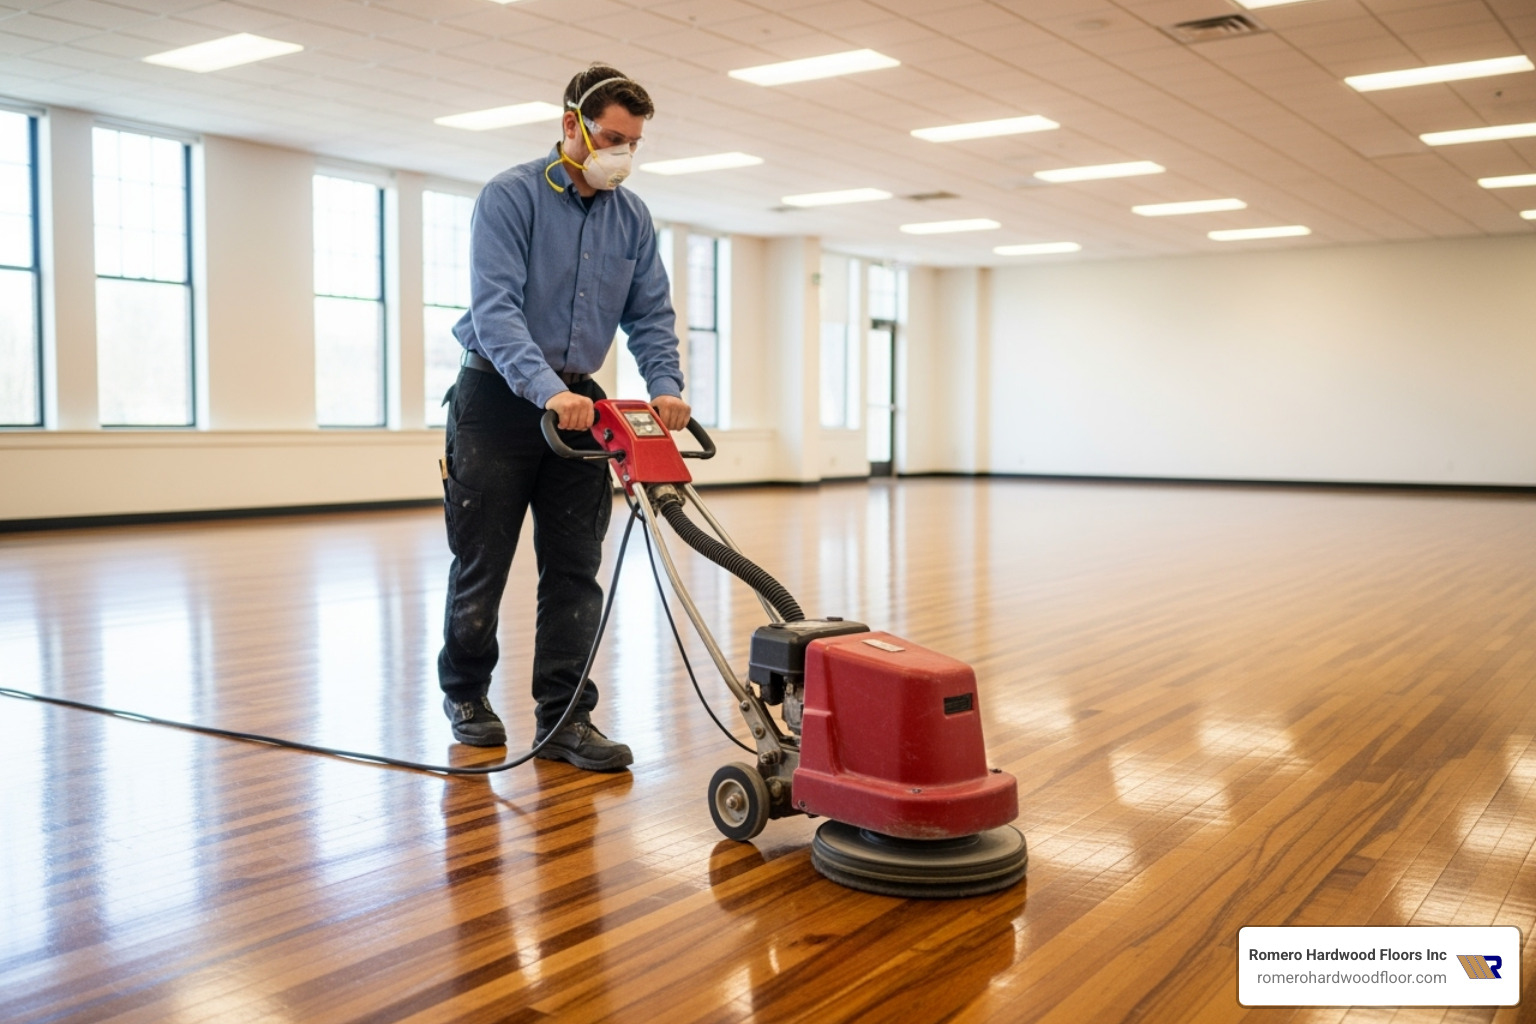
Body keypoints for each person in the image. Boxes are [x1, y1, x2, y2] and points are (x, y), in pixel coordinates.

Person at [437, 64, 690, 771]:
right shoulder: (510, 197)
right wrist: (546, 389)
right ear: (571, 125)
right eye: (612, 138)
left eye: (634, 143)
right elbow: (496, 310)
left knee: (577, 568)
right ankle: (466, 695)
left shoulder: (632, 217)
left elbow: (650, 316)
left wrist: (665, 386)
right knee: (482, 561)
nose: (623, 154)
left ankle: (566, 718)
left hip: (582, 408)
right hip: (498, 399)